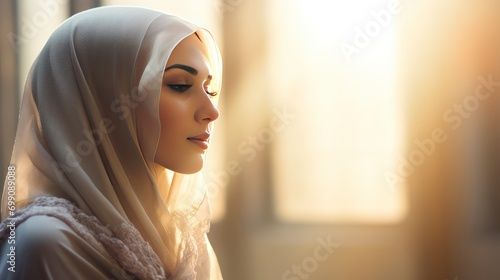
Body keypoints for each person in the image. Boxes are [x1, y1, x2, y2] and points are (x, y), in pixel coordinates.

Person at [0, 6, 224, 280]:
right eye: (179, 85)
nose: (211, 112)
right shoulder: (46, 244)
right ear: (104, 99)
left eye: (209, 89)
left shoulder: (184, 243)